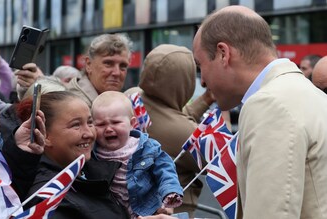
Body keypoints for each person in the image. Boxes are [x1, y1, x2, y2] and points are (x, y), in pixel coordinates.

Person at [193, 5, 327, 218]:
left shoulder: (270, 104)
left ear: (223, 54)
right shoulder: (307, 94)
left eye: (200, 66)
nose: (202, 81)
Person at [125, 44, 227, 217]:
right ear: (183, 82)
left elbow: (170, 116)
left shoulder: (133, 97)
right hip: (173, 211)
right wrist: (224, 106)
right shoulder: (181, 132)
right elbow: (222, 157)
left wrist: (206, 99)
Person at [3, 91, 130, 218]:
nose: (89, 134)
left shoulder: (92, 171)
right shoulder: (49, 197)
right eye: (76, 125)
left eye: (90, 123)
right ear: (44, 134)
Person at [92, 91, 183, 218]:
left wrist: (170, 191)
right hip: (112, 212)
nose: (108, 129)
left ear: (132, 124)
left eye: (116, 122)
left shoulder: (146, 148)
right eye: (101, 124)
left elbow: (166, 170)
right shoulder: (92, 153)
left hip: (146, 209)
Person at [66, 33, 132, 107]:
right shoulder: (73, 106)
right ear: (88, 64)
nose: (117, 73)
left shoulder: (125, 103)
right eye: (108, 63)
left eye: (123, 66)